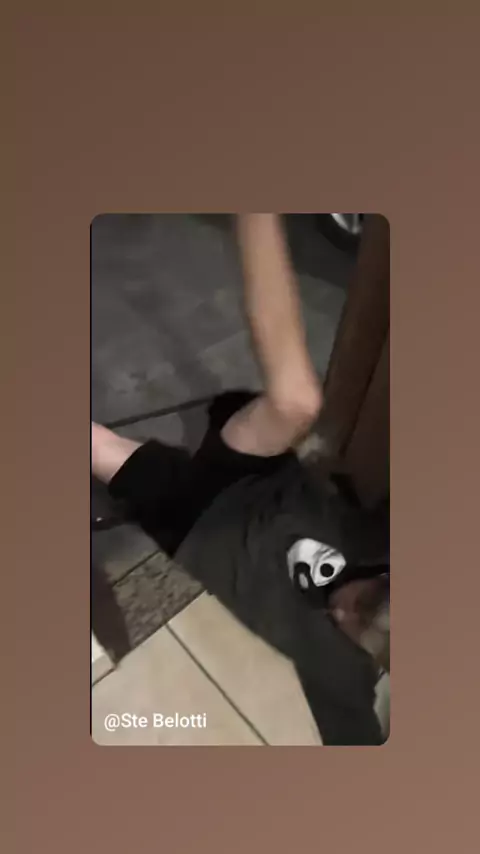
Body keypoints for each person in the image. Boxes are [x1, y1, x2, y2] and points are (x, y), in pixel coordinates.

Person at [92, 214, 389, 745]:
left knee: (96, 448)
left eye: (358, 630)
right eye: (371, 598)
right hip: (260, 475)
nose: (344, 608)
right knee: (297, 403)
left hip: (198, 523)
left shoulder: (344, 684)